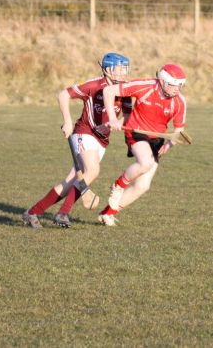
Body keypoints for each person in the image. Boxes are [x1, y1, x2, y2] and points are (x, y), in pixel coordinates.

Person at [22, 52, 132, 229]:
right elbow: (63, 95)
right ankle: (63, 213)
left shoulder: (124, 89)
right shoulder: (94, 85)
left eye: (124, 69)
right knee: (93, 171)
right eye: (119, 69)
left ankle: (32, 213)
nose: (123, 73)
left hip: (102, 141)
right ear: (107, 70)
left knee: (70, 182)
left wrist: (117, 123)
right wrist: (67, 121)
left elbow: (128, 114)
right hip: (84, 132)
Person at [98, 63, 187, 226]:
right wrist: (112, 118)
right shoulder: (145, 86)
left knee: (143, 186)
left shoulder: (179, 102)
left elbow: (179, 130)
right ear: (162, 81)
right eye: (173, 85)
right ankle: (118, 186)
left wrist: (169, 145)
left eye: (179, 86)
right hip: (136, 131)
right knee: (145, 162)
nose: (176, 89)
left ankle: (107, 213)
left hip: (157, 139)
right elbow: (108, 91)